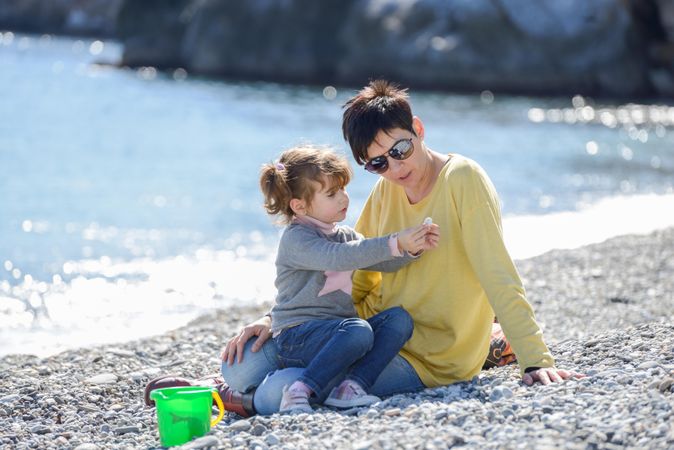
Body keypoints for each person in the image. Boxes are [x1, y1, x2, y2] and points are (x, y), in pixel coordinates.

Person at [146, 80, 583, 417]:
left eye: (401, 149)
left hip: (428, 356)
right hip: (368, 330)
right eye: (378, 163)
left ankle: (227, 401)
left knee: (282, 390)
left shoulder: (463, 180)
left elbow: (497, 271)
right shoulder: (385, 192)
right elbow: (351, 273)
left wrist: (535, 360)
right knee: (244, 364)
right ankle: (229, 388)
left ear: (418, 129)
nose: (395, 168)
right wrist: (274, 320)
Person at [257, 145, 438, 412]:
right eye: (332, 193)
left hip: (339, 332)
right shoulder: (296, 238)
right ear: (300, 206)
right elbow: (339, 257)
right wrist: (394, 240)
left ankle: (350, 387)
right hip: (297, 337)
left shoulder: (345, 235)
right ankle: (300, 389)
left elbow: (378, 260)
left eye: (343, 188)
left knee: (398, 320)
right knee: (358, 330)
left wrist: (411, 247)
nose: (344, 198)